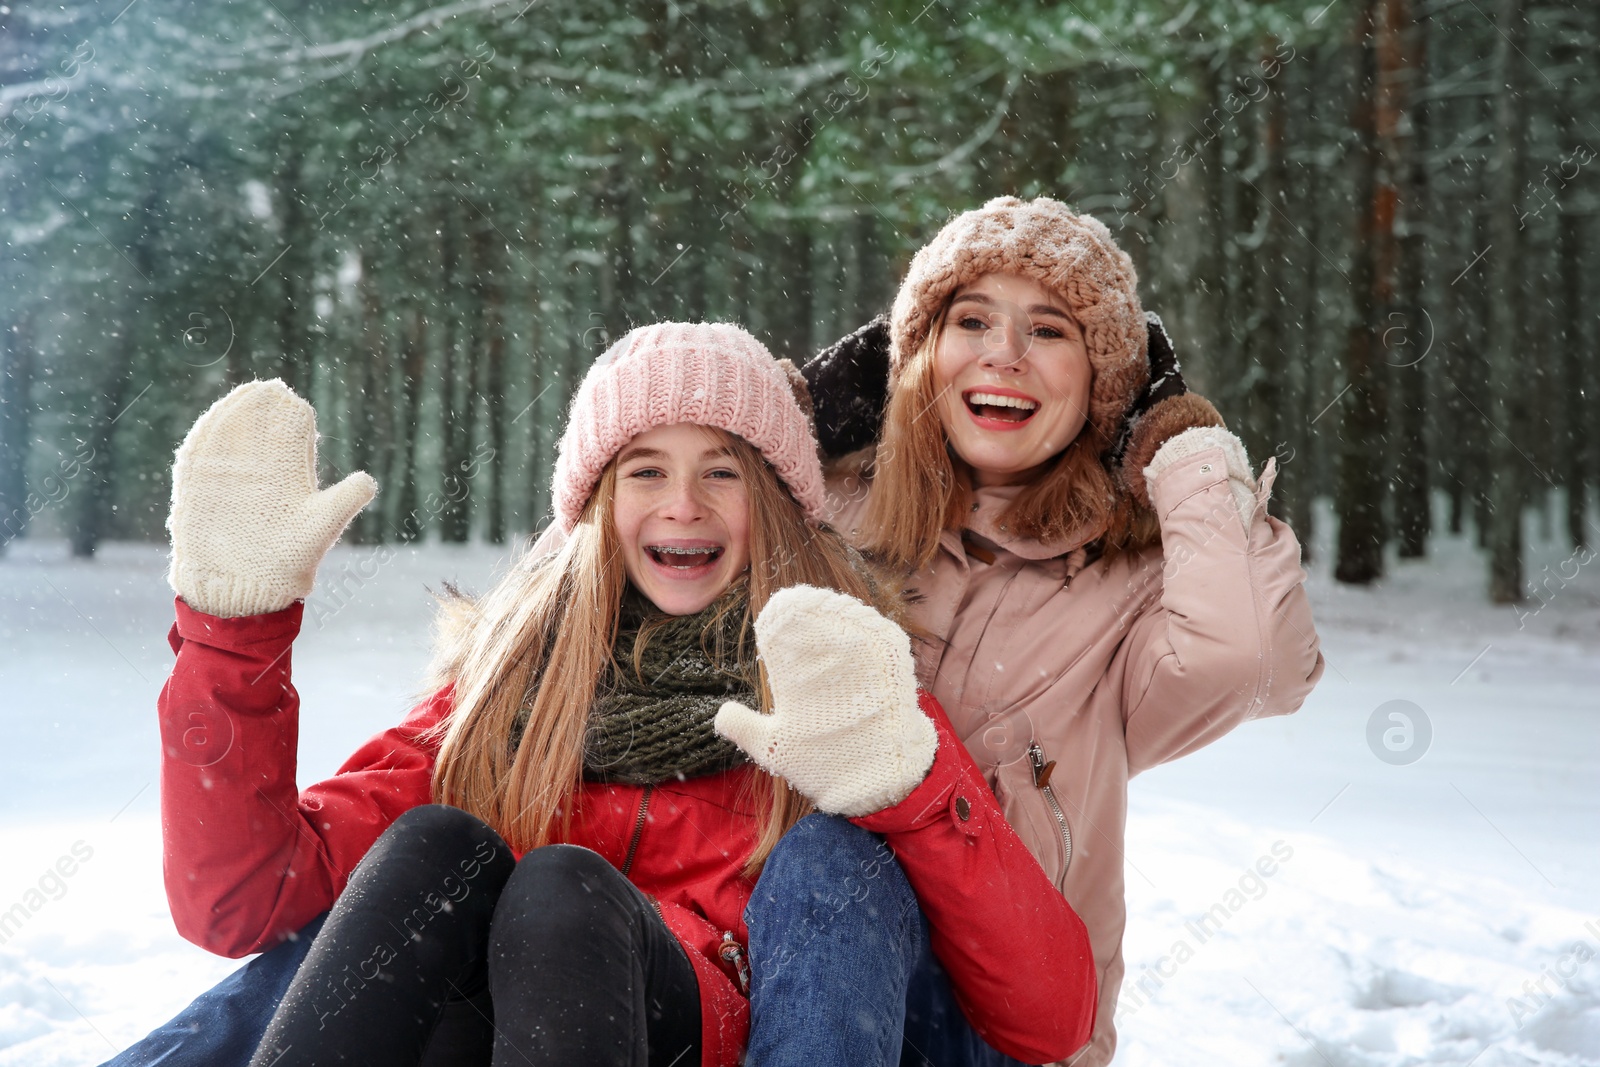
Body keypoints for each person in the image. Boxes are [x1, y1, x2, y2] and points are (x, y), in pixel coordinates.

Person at [134, 321, 1095, 1067]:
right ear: (598, 511)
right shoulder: (511, 693)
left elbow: (1051, 1016)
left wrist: (914, 794)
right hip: (495, 1032)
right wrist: (234, 635)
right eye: (647, 471)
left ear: (776, 508)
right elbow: (242, 904)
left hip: (700, 1025)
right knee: (436, 844)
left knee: (560, 886)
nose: (684, 504)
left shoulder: (844, 702)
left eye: (724, 471)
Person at [754, 195, 1327, 1066]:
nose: (1003, 354)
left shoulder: (1133, 586)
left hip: (1007, 1027)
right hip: (794, 991)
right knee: (832, 863)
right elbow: (624, 574)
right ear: (917, 355)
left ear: (1105, 385)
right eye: (970, 319)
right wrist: (779, 423)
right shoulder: (822, 518)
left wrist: (1184, 446)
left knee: (842, 862)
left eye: (1050, 330)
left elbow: (1249, 663)